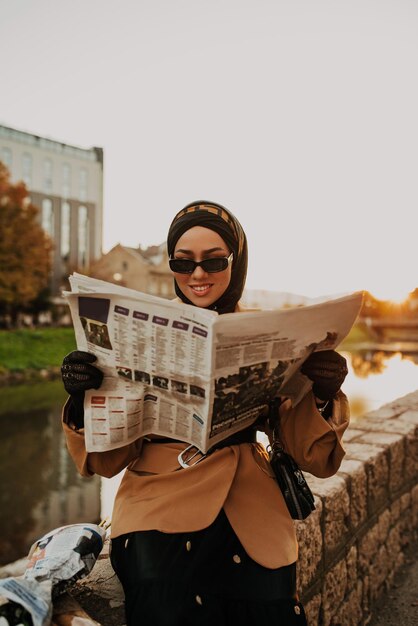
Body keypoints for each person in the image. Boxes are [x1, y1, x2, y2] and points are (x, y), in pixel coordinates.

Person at [60, 200, 349, 626]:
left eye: (214, 261)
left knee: (269, 608)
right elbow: (103, 463)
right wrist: (84, 397)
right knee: (167, 603)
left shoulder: (269, 332)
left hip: (251, 510)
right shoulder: (142, 335)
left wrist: (322, 393)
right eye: (183, 261)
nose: (198, 274)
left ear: (237, 262)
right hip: (157, 510)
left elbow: (316, 458)